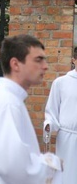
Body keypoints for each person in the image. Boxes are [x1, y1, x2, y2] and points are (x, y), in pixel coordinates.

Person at [0, 34, 63, 183]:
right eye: (38, 60)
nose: (45, 66)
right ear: (15, 64)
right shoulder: (7, 103)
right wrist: (49, 164)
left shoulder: (8, 98)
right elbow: (12, 168)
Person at [43, 47, 77, 183]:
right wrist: (49, 125)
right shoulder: (61, 83)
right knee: (67, 176)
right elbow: (52, 111)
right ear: (74, 60)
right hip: (67, 138)